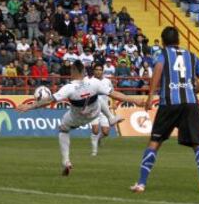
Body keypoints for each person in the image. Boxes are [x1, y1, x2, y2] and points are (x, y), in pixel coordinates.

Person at [16, 60, 144, 176]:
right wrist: (134, 100)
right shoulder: (94, 83)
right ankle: (110, 117)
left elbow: (48, 101)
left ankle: (66, 161)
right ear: (84, 71)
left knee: (63, 129)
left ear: (72, 71)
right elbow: (115, 94)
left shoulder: (68, 88)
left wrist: (29, 107)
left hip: (76, 118)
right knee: (99, 97)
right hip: (94, 113)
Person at [130, 26, 199, 193]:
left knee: (155, 142)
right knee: (198, 143)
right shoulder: (192, 56)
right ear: (178, 40)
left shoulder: (162, 55)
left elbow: (157, 72)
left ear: (164, 41)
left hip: (169, 103)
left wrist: (150, 96)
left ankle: (141, 183)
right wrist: (190, 91)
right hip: (190, 104)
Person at [89, 64, 115, 156]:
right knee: (95, 130)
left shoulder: (107, 81)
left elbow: (112, 93)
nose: (98, 71)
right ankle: (94, 152)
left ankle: (99, 139)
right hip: (93, 109)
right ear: (94, 71)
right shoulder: (90, 81)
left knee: (106, 132)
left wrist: (114, 103)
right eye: (96, 69)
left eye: (100, 70)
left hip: (104, 110)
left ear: (102, 71)